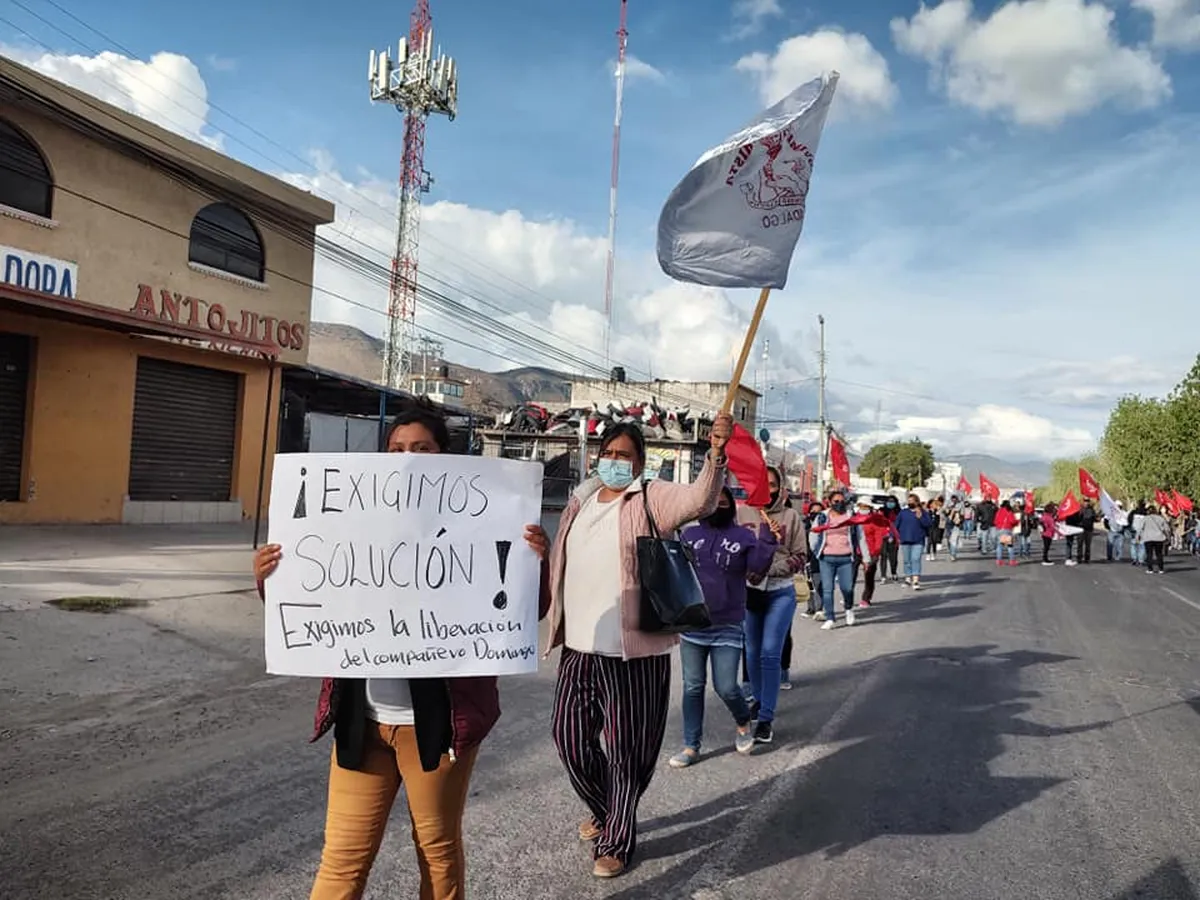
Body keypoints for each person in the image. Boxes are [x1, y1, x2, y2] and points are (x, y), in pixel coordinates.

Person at [252, 404, 552, 900]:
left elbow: (523, 611)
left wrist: (532, 563)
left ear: (445, 457)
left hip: (436, 725)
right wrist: (272, 578)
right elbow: (316, 599)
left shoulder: (478, 524)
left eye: (421, 448)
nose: (406, 458)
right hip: (362, 721)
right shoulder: (353, 521)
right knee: (342, 858)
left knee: (436, 850)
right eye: (395, 449)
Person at [545, 413, 732, 879]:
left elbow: (701, 500)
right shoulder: (580, 501)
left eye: (624, 456)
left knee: (627, 750)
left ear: (640, 462)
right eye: (608, 453)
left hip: (633, 651)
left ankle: (617, 839)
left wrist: (716, 453)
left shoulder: (652, 497)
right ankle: (608, 808)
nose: (614, 462)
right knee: (568, 739)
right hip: (579, 647)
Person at [669, 487, 778, 768]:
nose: (718, 507)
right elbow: (676, 570)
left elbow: (758, 569)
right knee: (693, 687)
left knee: (727, 687)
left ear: (732, 507)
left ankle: (743, 722)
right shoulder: (689, 535)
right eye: (712, 502)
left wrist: (767, 538)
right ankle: (691, 745)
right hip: (693, 624)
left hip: (728, 624)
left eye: (723, 502)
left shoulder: (744, 536)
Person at [737, 465, 807, 743]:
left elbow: (801, 556)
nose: (767, 490)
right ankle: (758, 698)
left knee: (769, 653)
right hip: (749, 592)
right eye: (762, 485)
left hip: (780, 592)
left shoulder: (791, 517)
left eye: (773, 485)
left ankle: (766, 717)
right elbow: (733, 549)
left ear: (781, 488)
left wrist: (770, 568)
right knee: (752, 651)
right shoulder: (741, 513)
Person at [809, 488, 863, 627]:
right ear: (829, 502)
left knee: (847, 588)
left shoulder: (850, 516)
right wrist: (817, 551)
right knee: (827, 589)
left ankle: (848, 609)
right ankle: (830, 618)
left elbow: (860, 537)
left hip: (846, 558)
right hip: (826, 558)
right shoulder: (822, 517)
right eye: (836, 501)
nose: (839, 503)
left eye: (841, 501)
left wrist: (866, 557)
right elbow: (813, 533)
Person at [858, 502, 899, 606]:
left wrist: (876, 552)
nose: (864, 508)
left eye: (866, 506)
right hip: (856, 551)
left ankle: (866, 598)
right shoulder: (854, 518)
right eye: (862, 506)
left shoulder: (875, 519)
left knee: (869, 575)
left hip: (871, 551)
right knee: (850, 576)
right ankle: (847, 597)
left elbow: (878, 536)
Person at [894, 495, 932, 589]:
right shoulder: (903, 512)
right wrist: (893, 536)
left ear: (917, 502)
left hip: (918, 540)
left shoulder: (922, 512)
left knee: (915, 559)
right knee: (907, 560)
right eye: (909, 500)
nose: (910, 502)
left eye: (912, 501)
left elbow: (928, 524)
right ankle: (907, 579)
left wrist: (920, 517)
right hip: (905, 540)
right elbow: (896, 525)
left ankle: (915, 580)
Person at [1140, 504, 1170, 575]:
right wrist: (1168, 537)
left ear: (1148, 511)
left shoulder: (1145, 518)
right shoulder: (1160, 518)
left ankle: (1150, 569)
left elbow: (1140, 528)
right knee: (1159, 554)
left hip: (1148, 538)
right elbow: (1167, 529)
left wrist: (1139, 536)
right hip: (1159, 538)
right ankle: (1161, 569)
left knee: (1149, 554)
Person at [879, 496, 901, 582]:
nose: (890, 503)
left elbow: (899, 525)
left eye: (892, 502)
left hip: (894, 536)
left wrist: (894, 535)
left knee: (893, 557)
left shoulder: (898, 512)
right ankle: (883, 575)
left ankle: (894, 572)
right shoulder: (881, 511)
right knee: (883, 556)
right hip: (883, 536)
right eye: (889, 501)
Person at [993, 500, 1019, 566]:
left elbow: (995, 521)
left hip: (999, 529)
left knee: (1000, 545)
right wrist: (1017, 521)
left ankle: (999, 560)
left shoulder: (999, 511)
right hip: (1006, 529)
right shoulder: (1008, 511)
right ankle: (1012, 560)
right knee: (1010, 546)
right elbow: (1012, 521)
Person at [1077, 499, 1097, 564]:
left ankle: (1087, 559)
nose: (1086, 503)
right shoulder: (1079, 509)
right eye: (1085, 501)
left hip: (1089, 529)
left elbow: (1095, 519)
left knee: (1088, 545)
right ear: (1083, 502)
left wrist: (1097, 518)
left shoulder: (1092, 510)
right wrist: (1080, 513)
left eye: (1087, 502)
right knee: (1080, 544)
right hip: (1080, 529)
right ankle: (1079, 558)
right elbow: (1077, 518)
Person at [1040, 502, 1058, 566]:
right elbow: (1052, 526)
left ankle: (1045, 559)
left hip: (1044, 533)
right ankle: (1045, 560)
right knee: (1046, 547)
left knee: (1046, 547)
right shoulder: (1049, 517)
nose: (1054, 510)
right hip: (1048, 533)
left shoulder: (1044, 516)